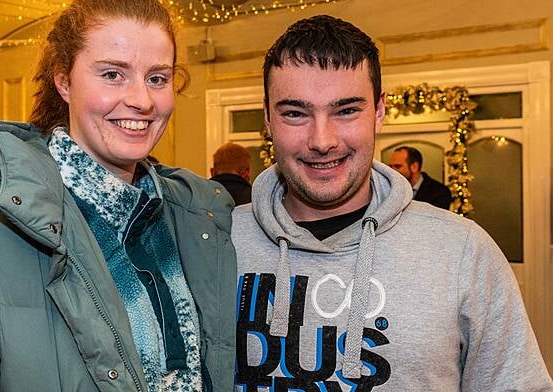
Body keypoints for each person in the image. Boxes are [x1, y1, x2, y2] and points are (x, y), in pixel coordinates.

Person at [0, 1, 236, 391]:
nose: (142, 100)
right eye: (113, 74)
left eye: (157, 78)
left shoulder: (196, 220)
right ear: (63, 82)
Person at [233, 14, 552, 391]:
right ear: (268, 118)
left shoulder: (462, 251)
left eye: (346, 110)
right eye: (295, 113)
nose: (322, 140)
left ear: (380, 111)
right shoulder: (222, 240)